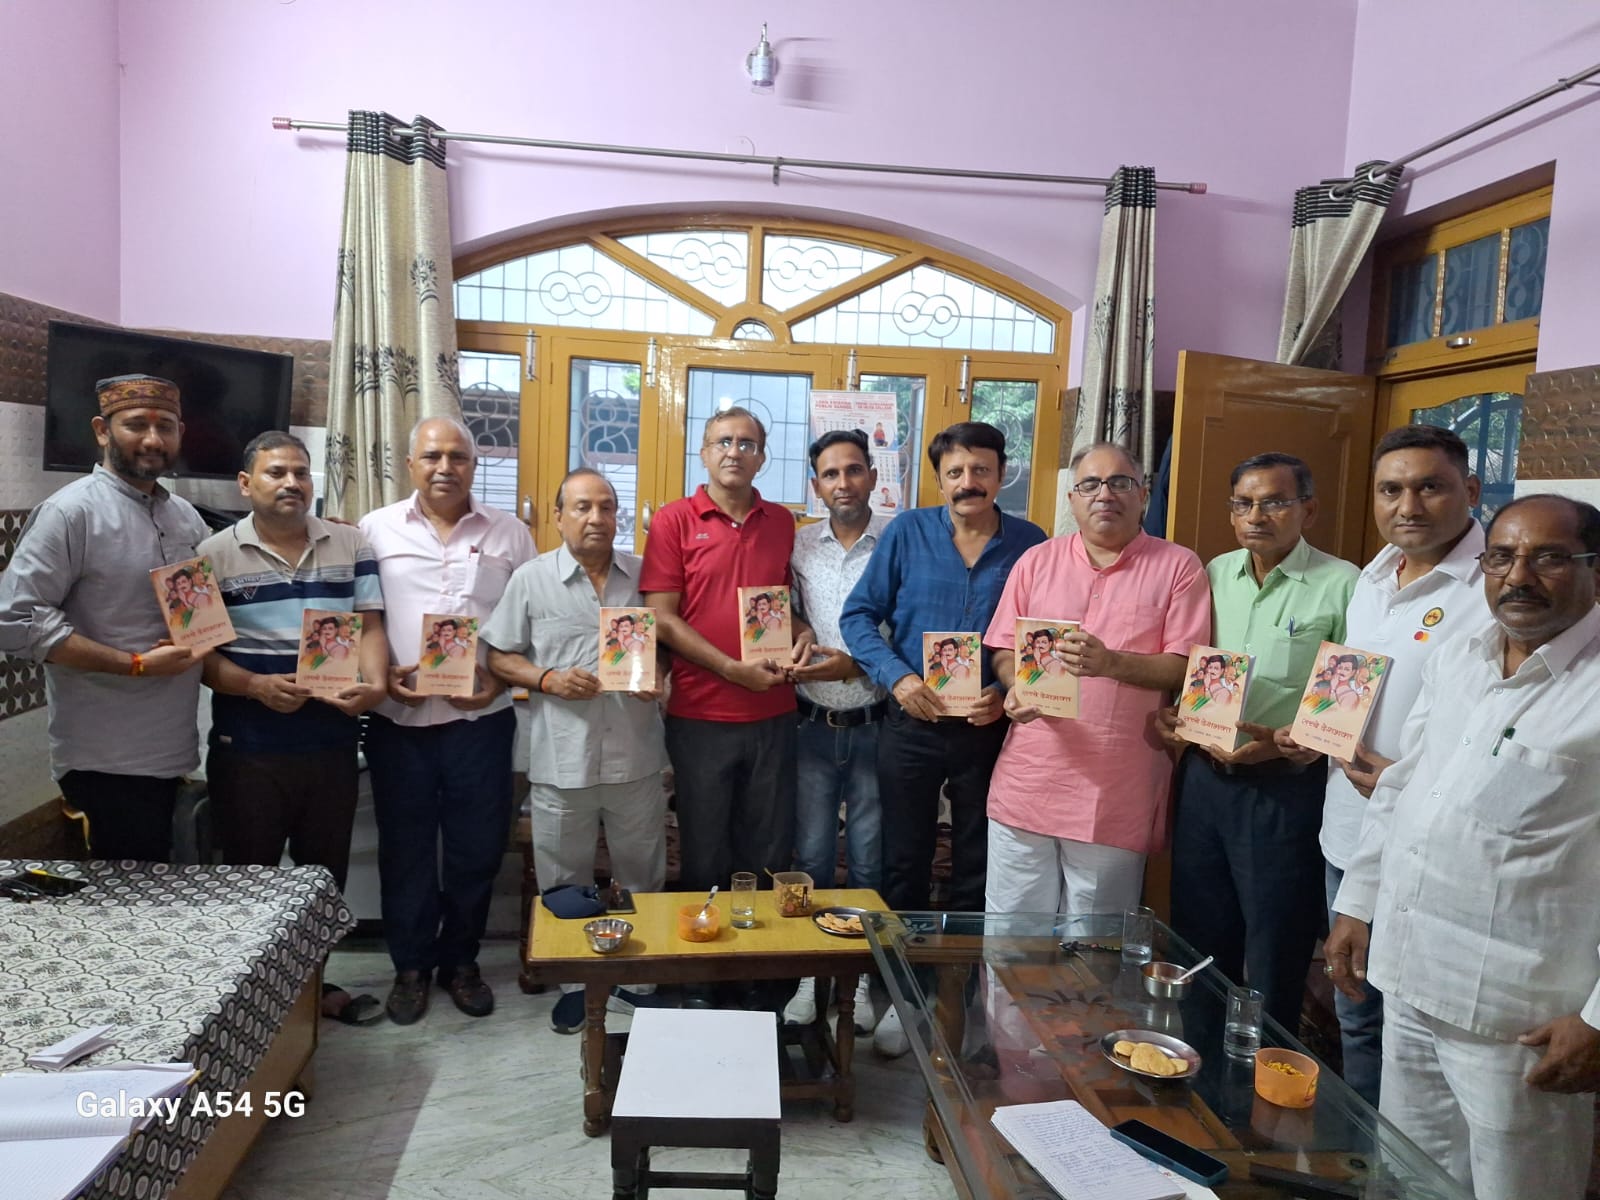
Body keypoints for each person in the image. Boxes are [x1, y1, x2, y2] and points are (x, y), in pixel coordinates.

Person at [1326, 495, 1600, 1200]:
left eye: (1549, 558)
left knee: (1517, 1187)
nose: (1519, 577)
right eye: (1502, 557)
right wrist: (1357, 904)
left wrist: (1597, 1020)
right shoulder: (1462, 656)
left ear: (1594, 568)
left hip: (1518, 1018)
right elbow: (1404, 787)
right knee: (1411, 1173)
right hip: (1412, 976)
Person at [1273, 423, 1484, 1108]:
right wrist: (1314, 731)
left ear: (1470, 490)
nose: (1408, 506)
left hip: (1434, 845)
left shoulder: (1493, 589)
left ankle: (1412, 1151)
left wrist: (1409, 780)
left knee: (1420, 1025)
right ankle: (1369, 1149)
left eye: (1430, 488)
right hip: (1349, 834)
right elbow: (1356, 688)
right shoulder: (1372, 576)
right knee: (1356, 1008)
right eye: (1390, 490)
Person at [840, 420, 1047, 1055]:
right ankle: (902, 991)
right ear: (939, 479)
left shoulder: (1031, 544)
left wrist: (1008, 694)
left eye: (980, 470)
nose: (968, 482)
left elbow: (1038, 638)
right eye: (955, 472)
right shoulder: (906, 532)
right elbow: (858, 616)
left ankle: (959, 992)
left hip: (988, 729)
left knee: (977, 864)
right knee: (903, 861)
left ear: (1002, 474)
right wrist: (898, 678)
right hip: (912, 722)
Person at [1158, 452, 1357, 1032]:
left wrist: (1283, 744)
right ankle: (1197, 1058)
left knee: (1275, 940)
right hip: (1204, 780)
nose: (1256, 516)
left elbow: (1350, 698)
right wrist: (1179, 715)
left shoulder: (1343, 584)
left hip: (1284, 789)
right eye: (1243, 503)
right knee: (1197, 934)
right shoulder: (1215, 572)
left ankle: (1264, 1070)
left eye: (1274, 502)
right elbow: (1196, 665)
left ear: (1308, 510)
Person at [199, 431, 389, 1024]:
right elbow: (199, 657)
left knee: (322, 880)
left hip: (330, 744)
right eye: (276, 472)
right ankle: (249, 1004)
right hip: (248, 748)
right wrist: (254, 685)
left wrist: (376, 685)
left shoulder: (350, 543)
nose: (291, 483)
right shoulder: (209, 555)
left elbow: (371, 626)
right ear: (245, 483)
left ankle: (313, 991)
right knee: (249, 879)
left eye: (301, 473)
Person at [359, 416, 535, 1024]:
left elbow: (527, 626)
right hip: (397, 721)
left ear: (474, 466)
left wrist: (498, 683)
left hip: (480, 723)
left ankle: (461, 962)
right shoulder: (374, 530)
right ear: (411, 464)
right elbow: (362, 619)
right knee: (405, 849)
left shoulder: (510, 534)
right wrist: (381, 677)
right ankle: (410, 968)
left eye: (458, 457)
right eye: (432, 456)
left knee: (476, 849)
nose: (445, 467)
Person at [986, 442, 1209, 918]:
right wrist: (1013, 684)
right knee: (1012, 932)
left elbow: (1184, 667)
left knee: (1093, 940)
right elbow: (1004, 648)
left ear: (1143, 493)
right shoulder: (1036, 561)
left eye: (1119, 482)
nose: (1104, 494)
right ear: (1072, 498)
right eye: (1089, 484)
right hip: (1028, 780)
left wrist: (1110, 663)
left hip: (1116, 789)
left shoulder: (1178, 567)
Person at [485, 468, 668, 1035]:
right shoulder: (531, 579)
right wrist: (547, 678)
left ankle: (639, 982)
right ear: (559, 515)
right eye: (583, 507)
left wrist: (659, 674)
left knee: (643, 879)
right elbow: (499, 655)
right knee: (564, 884)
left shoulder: (645, 576)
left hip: (636, 758)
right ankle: (574, 985)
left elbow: (670, 646)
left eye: (607, 507)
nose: (596, 518)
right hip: (562, 761)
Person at [0, 374, 206, 860]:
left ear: (180, 433)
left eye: (165, 426)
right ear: (101, 430)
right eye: (136, 425)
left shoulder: (184, 516)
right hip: (105, 760)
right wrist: (134, 664)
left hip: (172, 750)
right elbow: (15, 622)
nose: (153, 439)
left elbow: (200, 619)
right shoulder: (71, 513)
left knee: (158, 887)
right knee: (125, 896)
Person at [641, 406, 814, 924]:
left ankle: (761, 962)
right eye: (723, 442)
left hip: (774, 715)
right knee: (705, 851)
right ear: (704, 453)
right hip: (700, 716)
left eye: (746, 444)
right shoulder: (673, 519)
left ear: (762, 457)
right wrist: (730, 668)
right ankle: (706, 958)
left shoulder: (782, 522)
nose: (734, 452)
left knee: (768, 850)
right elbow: (661, 617)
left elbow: (780, 606)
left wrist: (803, 632)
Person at [784, 428, 891, 1030]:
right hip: (812, 725)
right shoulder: (799, 545)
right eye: (830, 474)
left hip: (876, 723)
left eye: (853, 470)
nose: (843, 483)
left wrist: (860, 664)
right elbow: (780, 609)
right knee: (813, 858)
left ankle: (866, 978)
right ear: (816, 485)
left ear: (872, 476)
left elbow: (908, 622)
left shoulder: (898, 541)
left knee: (872, 861)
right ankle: (810, 976)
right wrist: (798, 627)